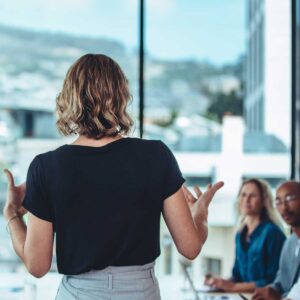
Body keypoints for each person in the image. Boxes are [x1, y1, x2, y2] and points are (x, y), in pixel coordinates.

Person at [2, 53, 223, 300]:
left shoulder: (46, 167)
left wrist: (11, 213)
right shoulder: (156, 156)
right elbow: (190, 248)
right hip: (140, 292)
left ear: (69, 98)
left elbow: (37, 265)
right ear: (121, 97)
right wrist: (200, 214)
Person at [204, 179, 286, 293]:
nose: (246, 200)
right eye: (243, 195)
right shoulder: (240, 234)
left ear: (263, 201)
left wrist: (233, 287)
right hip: (243, 296)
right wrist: (220, 283)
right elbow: (236, 275)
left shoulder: (272, 233)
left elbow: (273, 280)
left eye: (252, 196)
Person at [252, 181, 300, 300]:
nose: (284, 207)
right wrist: (269, 290)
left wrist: (278, 297)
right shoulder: (289, 244)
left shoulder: (272, 232)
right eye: (278, 202)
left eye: (289, 198)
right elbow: (280, 282)